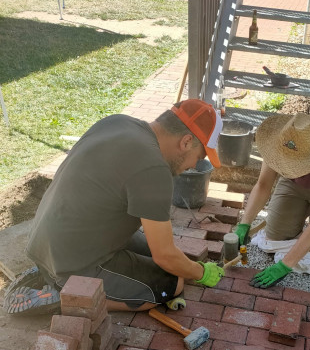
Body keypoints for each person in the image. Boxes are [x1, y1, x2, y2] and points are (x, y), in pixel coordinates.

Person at [5, 99, 225, 315]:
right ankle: (65, 295)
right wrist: (200, 272)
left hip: (46, 242)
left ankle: (50, 271)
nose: (195, 165)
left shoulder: (118, 122)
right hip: (72, 261)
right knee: (171, 284)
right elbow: (165, 256)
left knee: (158, 253)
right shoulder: (154, 170)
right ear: (186, 142)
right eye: (200, 156)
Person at [235, 113, 310, 288]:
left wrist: (284, 266)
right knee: (274, 236)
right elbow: (262, 185)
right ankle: (301, 226)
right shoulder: (279, 140)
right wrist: (244, 224)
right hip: (294, 184)